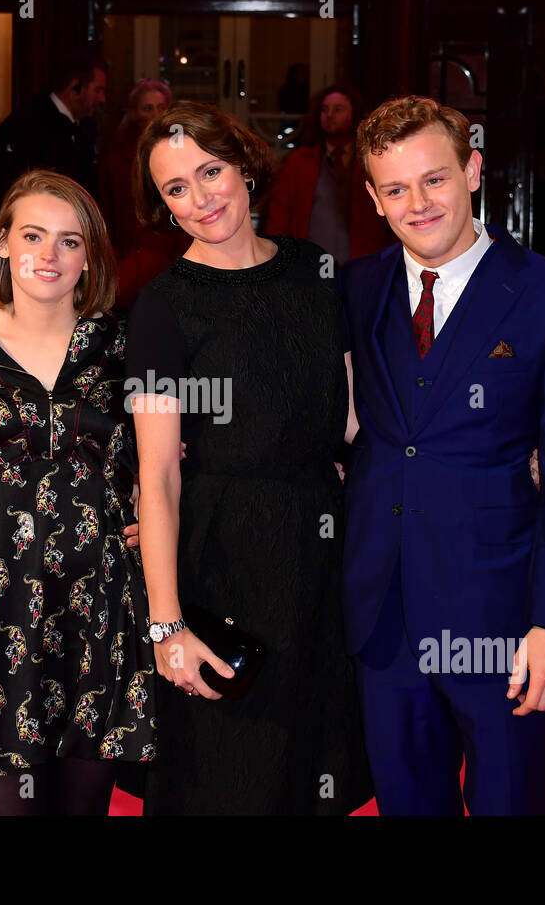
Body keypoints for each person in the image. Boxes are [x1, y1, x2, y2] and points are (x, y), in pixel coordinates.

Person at [340, 95, 545, 815]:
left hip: (501, 617)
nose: (417, 203)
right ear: (372, 197)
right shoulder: (356, 289)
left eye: (435, 179)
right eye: (394, 188)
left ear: (474, 170)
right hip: (383, 615)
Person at [125, 100, 371, 815]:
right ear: (162, 206)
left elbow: (354, 418)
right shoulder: (163, 307)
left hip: (319, 552)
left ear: (243, 165)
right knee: (226, 772)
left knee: (311, 766)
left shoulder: (315, 271)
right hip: (220, 559)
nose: (200, 198)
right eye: (176, 188)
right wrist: (167, 625)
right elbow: (158, 472)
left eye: (210, 171)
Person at [0, 169, 158, 815]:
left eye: (70, 240)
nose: (50, 255)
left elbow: (173, 455)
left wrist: (156, 502)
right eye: (33, 235)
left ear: (91, 256)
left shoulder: (125, 346)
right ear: (2, 242)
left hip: (102, 601)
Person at [264, 84, 390, 266]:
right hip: (310, 265)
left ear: (354, 114)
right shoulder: (299, 162)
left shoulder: (372, 162)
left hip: (364, 263)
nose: (330, 115)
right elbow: (279, 216)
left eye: (338, 109)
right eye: (325, 110)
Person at [0, 52, 108, 201]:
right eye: (98, 90)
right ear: (75, 88)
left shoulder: (85, 127)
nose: (102, 99)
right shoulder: (29, 122)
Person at [98, 79, 171, 257]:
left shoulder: (181, 154)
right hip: (130, 255)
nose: (156, 114)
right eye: (148, 108)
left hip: (172, 253)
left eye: (161, 107)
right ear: (133, 114)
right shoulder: (115, 161)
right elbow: (107, 216)